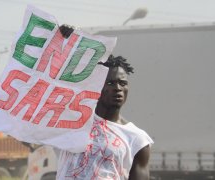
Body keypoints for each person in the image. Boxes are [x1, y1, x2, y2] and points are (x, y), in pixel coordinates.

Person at [55, 26, 154, 179]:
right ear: (97, 86)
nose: (118, 88)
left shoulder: (137, 139)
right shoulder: (73, 120)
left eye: (123, 83)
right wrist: (63, 41)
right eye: (110, 83)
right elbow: (53, 83)